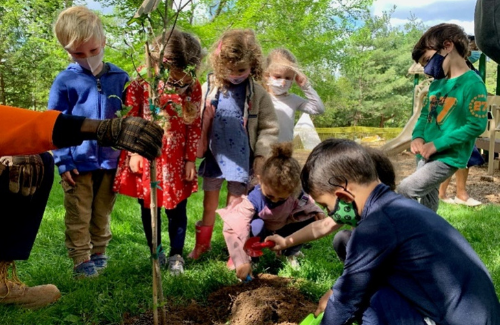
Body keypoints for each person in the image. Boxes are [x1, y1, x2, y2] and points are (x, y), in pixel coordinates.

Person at [267, 138, 500, 325]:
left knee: (369, 301)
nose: (330, 213)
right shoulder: (397, 207)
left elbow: (345, 302)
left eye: (327, 206)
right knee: (365, 279)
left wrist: (336, 302)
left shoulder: (375, 227)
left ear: (343, 196)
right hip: (477, 314)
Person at [0, 105, 163, 309]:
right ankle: (81, 258)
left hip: (104, 163)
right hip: (81, 164)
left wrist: (102, 128)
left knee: (32, 162)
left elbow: (9, 122)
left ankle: (0, 282)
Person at [48, 6, 130, 278]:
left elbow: (129, 117)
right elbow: (53, 124)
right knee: (78, 210)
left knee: (102, 210)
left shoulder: (121, 78)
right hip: (77, 161)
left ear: (103, 42)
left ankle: (99, 252)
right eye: (78, 54)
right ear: (67, 51)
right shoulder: (65, 80)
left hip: (111, 159)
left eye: (93, 51)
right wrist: (62, 160)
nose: (88, 58)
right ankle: (81, 258)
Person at [113, 29, 203, 275]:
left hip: (176, 158)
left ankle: (176, 254)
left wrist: (190, 159)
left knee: (178, 208)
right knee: (148, 206)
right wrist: (134, 153)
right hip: (147, 154)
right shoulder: (142, 82)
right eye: (172, 75)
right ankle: (156, 251)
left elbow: (193, 124)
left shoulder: (193, 85)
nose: (178, 81)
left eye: (183, 76)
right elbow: (131, 118)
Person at [188, 29, 279, 260]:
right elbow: (198, 117)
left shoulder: (257, 94)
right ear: (219, 64)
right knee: (209, 205)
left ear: (253, 65)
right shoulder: (209, 87)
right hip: (214, 158)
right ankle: (202, 246)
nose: (235, 75)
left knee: (235, 210)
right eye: (229, 69)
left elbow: (269, 128)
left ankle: (235, 251)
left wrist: (260, 157)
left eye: (241, 70)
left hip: (240, 161)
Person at [397, 23, 488, 212]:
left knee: (406, 189)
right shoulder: (437, 85)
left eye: (428, 59)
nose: (428, 68)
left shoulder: (473, 83)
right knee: (428, 200)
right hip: (425, 152)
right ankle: (428, 233)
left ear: (448, 46)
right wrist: (418, 137)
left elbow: (476, 125)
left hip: (448, 156)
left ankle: (407, 232)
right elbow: (425, 114)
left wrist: (437, 144)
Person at [218, 142, 324, 281]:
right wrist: (241, 261)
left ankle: (289, 252)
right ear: (260, 181)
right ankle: (252, 260)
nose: (274, 201)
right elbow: (234, 228)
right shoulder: (254, 198)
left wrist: (317, 211)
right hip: (262, 230)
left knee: (310, 218)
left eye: (282, 198)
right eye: (270, 196)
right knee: (256, 225)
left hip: (284, 226)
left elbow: (307, 202)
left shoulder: (295, 192)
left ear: (294, 189)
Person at [438, 34, 485, 207]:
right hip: (452, 122)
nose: (475, 51)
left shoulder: (473, 71)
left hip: (467, 122)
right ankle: (441, 193)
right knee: (451, 157)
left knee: (466, 158)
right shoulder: (447, 70)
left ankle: (461, 194)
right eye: (473, 48)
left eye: (477, 49)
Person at [263, 48, 325, 142]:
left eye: (288, 78)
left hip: (284, 152)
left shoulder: (293, 100)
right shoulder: (260, 98)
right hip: (262, 151)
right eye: (278, 76)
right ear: (267, 76)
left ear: (292, 81)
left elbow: (318, 109)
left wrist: (306, 86)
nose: (283, 82)